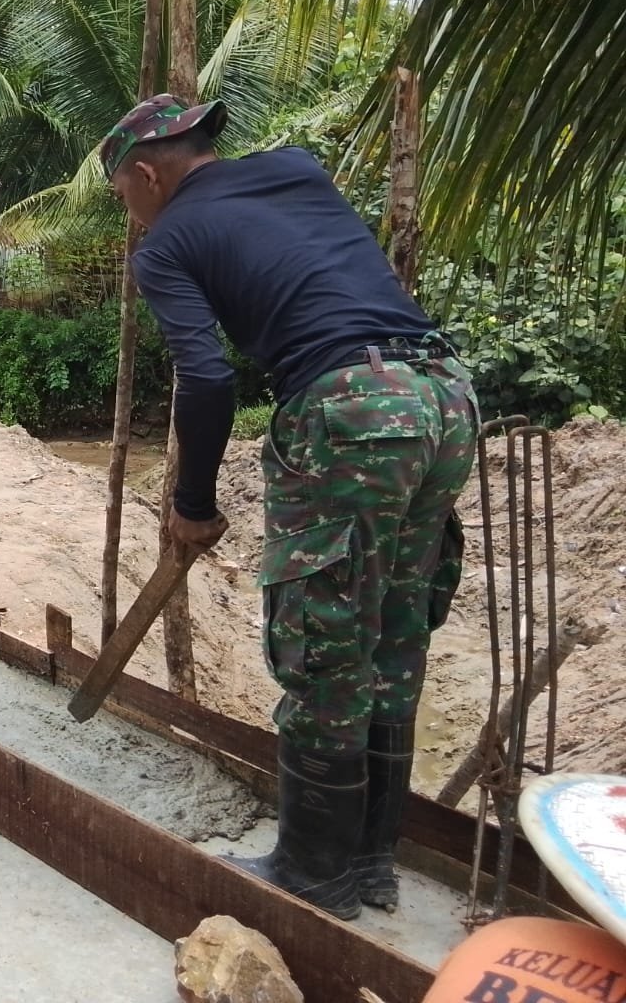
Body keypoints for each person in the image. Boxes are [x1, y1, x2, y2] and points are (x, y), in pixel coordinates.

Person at [101, 95, 477, 920]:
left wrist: (193, 503)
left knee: (324, 643)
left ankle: (313, 873)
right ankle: (370, 864)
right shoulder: (297, 170)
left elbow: (206, 378)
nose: (130, 213)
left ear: (146, 174)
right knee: (394, 632)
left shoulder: (167, 243)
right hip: (444, 395)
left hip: (352, 411)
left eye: (123, 195)